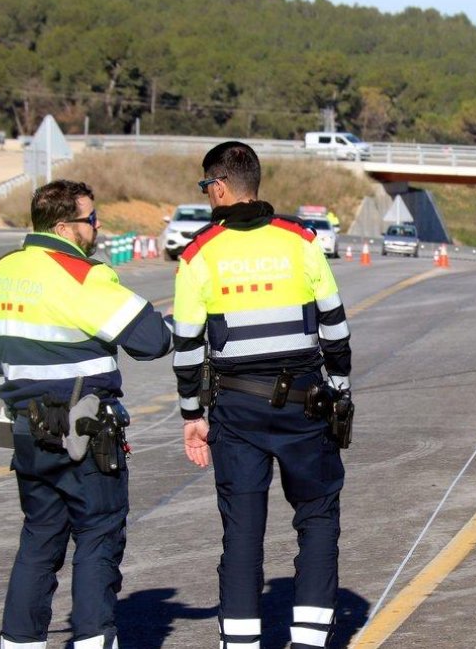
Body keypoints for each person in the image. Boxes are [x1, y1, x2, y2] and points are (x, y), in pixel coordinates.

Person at [174, 141, 352, 649]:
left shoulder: (198, 253)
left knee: (243, 529)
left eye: (207, 188)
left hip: (235, 406)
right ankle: (312, 639)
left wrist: (193, 414)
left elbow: (187, 347)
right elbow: (335, 325)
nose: (208, 197)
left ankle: (242, 643)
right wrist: (339, 387)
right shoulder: (301, 241)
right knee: (317, 516)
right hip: (305, 401)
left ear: (222, 187)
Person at [0, 180, 174, 649]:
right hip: (85, 430)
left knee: (39, 538)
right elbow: (153, 341)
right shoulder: (82, 274)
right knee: (98, 537)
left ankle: (19, 643)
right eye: (92, 219)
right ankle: (93, 640)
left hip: (25, 425)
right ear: (66, 226)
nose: (99, 225)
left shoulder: (2, 273)